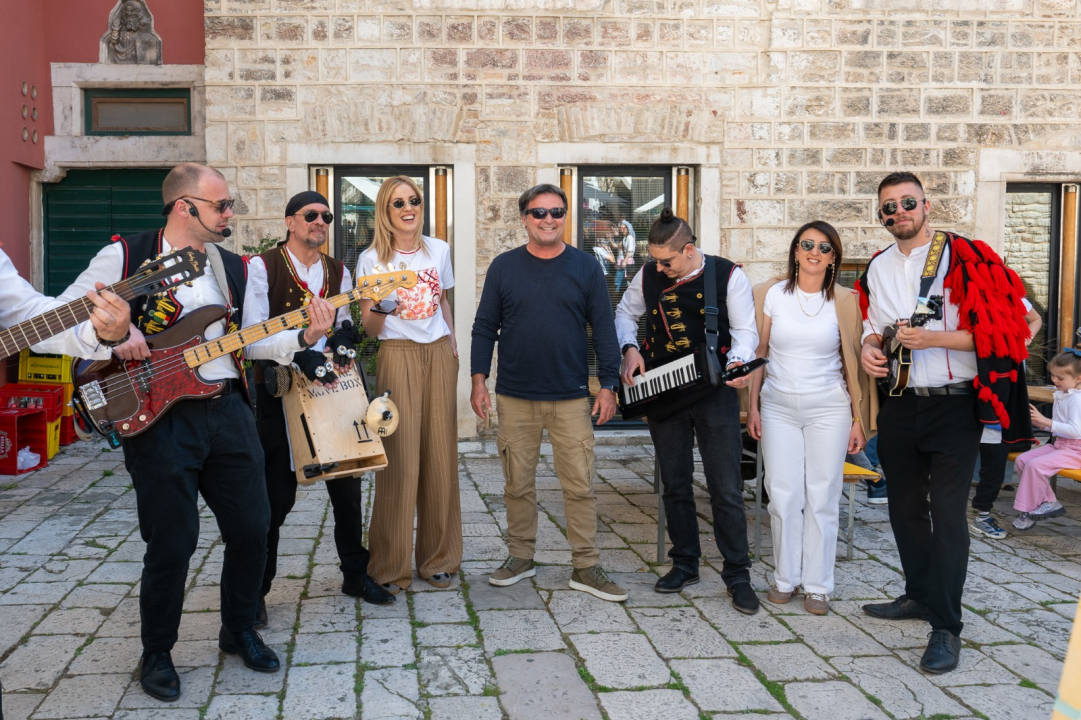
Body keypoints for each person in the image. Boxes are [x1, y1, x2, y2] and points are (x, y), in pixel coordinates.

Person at [54, 163, 281, 701]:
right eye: (221, 205)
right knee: (172, 541)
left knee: (254, 526)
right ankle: (157, 651)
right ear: (185, 206)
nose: (231, 213)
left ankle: (239, 628)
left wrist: (303, 333)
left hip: (227, 410)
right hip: (158, 416)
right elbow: (67, 320)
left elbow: (253, 341)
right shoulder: (125, 256)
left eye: (230, 205)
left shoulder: (237, 268)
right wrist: (115, 332)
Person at [857, 171, 1032, 674]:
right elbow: (875, 330)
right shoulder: (876, 267)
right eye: (888, 207)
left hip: (956, 405)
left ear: (926, 205)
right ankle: (917, 594)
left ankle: (946, 627)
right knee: (904, 507)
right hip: (901, 402)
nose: (898, 213)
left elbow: (1017, 329)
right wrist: (871, 351)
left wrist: (937, 340)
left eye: (907, 203)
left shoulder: (970, 258)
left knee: (949, 513)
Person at [471, 183, 627, 603]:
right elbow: (485, 326)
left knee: (579, 485)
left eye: (556, 213)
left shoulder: (586, 268)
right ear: (524, 218)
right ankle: (520, 557)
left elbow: (604, 329)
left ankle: (586, 565)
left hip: (571, 396)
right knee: (516, 484)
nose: (548, 220)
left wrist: (608, 385)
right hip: (515, 396)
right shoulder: (504, 267)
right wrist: (478, 379)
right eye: (538, 213)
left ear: (565, 217)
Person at [245, 190, 394, 620]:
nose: (320, 222)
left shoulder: (337, 270)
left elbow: (345, 324)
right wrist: (301, 350)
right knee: (276, 498)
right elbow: (252, 337)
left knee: (347, 488)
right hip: (282, 391)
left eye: (326, 216)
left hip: (335, 391)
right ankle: (255, 591)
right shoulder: (263, 267)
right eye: (311, 215)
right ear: (290, 221)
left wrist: (344, 342)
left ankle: (354, 572)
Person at [615, 207, 761, 614]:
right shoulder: (648, 275)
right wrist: (629, 350)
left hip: (713, 392)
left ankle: (737, 572)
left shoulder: (728, 275)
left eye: (667, 261)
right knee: (675, 483)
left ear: (690, 249)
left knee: (726, 487)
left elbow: (746, 332)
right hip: (665, 391)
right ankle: (685, 563)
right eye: (655, 260)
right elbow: (625, 314)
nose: (658, 268)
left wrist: (739, 362)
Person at [747, 221, 875, 616]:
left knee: (822, 496)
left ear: (834, 257)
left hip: (829, 408)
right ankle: (785, 578)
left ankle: (818, 586)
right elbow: (759, 352)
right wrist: (752, 405)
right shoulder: (772, 295)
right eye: (807, 244)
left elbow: (853, 363)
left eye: (824, 247)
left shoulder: (846, 301)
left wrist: (857, 419)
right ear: (796, 250)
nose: (814, 252)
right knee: (783, 496)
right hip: (778, 406)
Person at [357, 176, 461, 594]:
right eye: (398, 202)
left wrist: (453, 342)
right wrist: (382, 305)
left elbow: (444, 301)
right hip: (396, 354)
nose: (407, 207)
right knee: (398, 461)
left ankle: (439, 559)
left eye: (413, 200)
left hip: (438, 354)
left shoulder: (439, 250)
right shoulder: (371, 261)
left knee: (440, 457)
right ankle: (390, 565)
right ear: (385, 210)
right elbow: (367, 327)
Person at [971, 300, 1042, 538]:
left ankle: (982, 513)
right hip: (969, 382)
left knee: (996, 452)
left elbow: (1035, 318)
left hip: (1005, 387)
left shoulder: (1012, 293)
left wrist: (1024, 340)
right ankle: (940, 508)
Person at [1012, 346, 1081, 530]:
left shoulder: (1077, 399)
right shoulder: (1063, 395)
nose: (1054, 380)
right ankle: (1048, 501)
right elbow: (1058, 426)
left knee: (1035, 466)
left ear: (1078, 379)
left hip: (1076, 450)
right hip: (1060, 445)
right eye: (1052, 376)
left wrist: (1047, 422)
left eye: (1060, 378)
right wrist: (1041, 424)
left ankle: (1028, 509)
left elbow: (1076, 431)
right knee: (1022, 460)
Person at [614, 218, 636, 293]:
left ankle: (615, 295)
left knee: (618, 281)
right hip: (625, 261)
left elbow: (629, 251)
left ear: (627, 228)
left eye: (623, 228)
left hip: (627, 261)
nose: (622, 230)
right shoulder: (625, 238)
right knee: (624, 282)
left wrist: (625, 261)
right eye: (621, 228)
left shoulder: (629, 237)